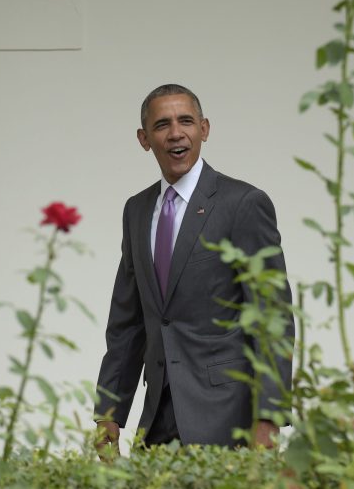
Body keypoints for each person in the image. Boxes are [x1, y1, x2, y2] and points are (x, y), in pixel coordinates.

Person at [94, 84, 294, 454]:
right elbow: (127, 323)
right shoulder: (136, 211)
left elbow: (272, 316)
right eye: (162, 125)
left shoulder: (243, 203)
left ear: (204, 129)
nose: (175, 133)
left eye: (186, 121)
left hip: (228, 418)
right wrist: (109, 413)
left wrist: (268, 416)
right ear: (144, 138)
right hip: (157, 419)